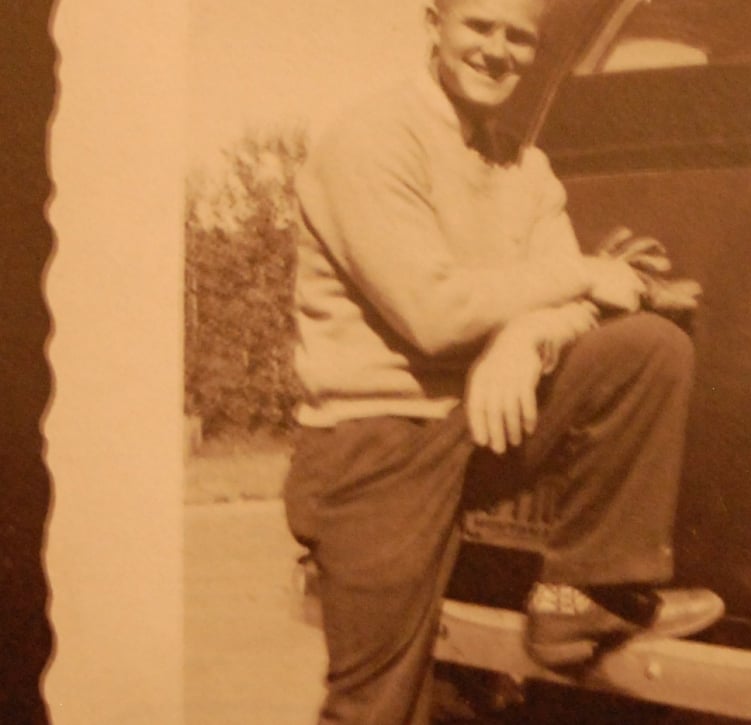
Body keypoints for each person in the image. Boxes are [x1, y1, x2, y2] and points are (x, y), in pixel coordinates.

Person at [281, 0, 724, 721]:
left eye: (519, 37)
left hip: (481, 424)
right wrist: (578, 277)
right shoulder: (372, 141)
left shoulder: (525, 165)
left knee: (647, 348)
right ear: (434, 24)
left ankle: (576, 600)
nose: (497, 50)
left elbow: (581, 302)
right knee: (378, 703)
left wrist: (528, 338)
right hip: (378, 444)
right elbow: (433, 313)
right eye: (478, 26)